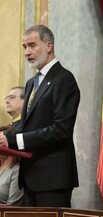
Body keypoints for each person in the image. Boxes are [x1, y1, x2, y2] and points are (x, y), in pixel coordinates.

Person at [0, 24, 80, 207]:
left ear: (49, 46)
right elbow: (28, 124)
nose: (27, 52)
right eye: (24, 47)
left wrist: (15, 140)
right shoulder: (31, 83)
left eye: (32, 45)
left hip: (53, 178)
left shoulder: (64, 79)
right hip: (30, 176)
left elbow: (61, 130)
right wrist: (5, 136)